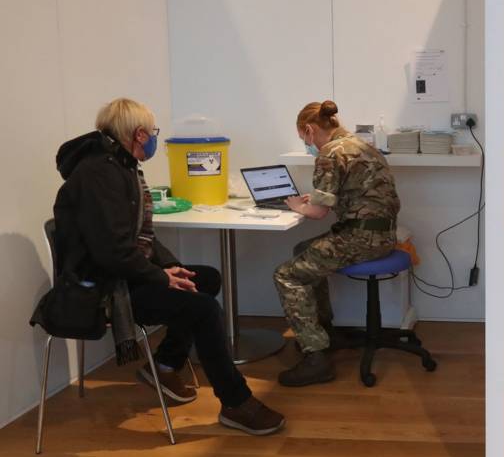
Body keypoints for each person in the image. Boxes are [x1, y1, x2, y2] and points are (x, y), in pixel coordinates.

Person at [52, 98, 285, 435]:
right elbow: (113, 253)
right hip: (102, 289)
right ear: (139, 134)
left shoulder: (120, 166)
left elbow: (136, 238)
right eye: (153, 133)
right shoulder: (99, 175)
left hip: (121, 274)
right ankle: (236, 402)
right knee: (204, 309)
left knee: (203, 279)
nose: (154, 140)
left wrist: (172, 268)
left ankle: (164, 365)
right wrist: (160, 276)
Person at [273, 100, 400, 387]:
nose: (308, 145)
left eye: (304, 138)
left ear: (309, 130)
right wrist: (313, 199)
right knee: (303, 251)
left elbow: (318, 214)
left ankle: (316, 357)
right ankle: (321, 332)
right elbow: (347, 193)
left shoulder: (330, 152)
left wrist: (298, 206)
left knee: (286, 275)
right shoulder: (361, 144)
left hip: (360, 238)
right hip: (383, 235)